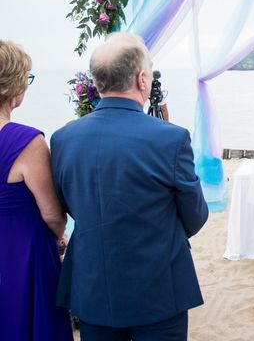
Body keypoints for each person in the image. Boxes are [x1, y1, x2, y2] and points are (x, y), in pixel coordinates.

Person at [50, 32, 208, 341]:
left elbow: (67, 202)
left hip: (93, 282)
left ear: (98, 82)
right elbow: (195, 214)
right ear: (142, 79)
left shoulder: (62, 139)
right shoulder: (170, 139)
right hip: (159, 283)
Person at [0, 40, 73, 341]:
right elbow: (53, 213)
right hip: (25, 256)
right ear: (14, 84)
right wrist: (58, 236)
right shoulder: (26, 141)